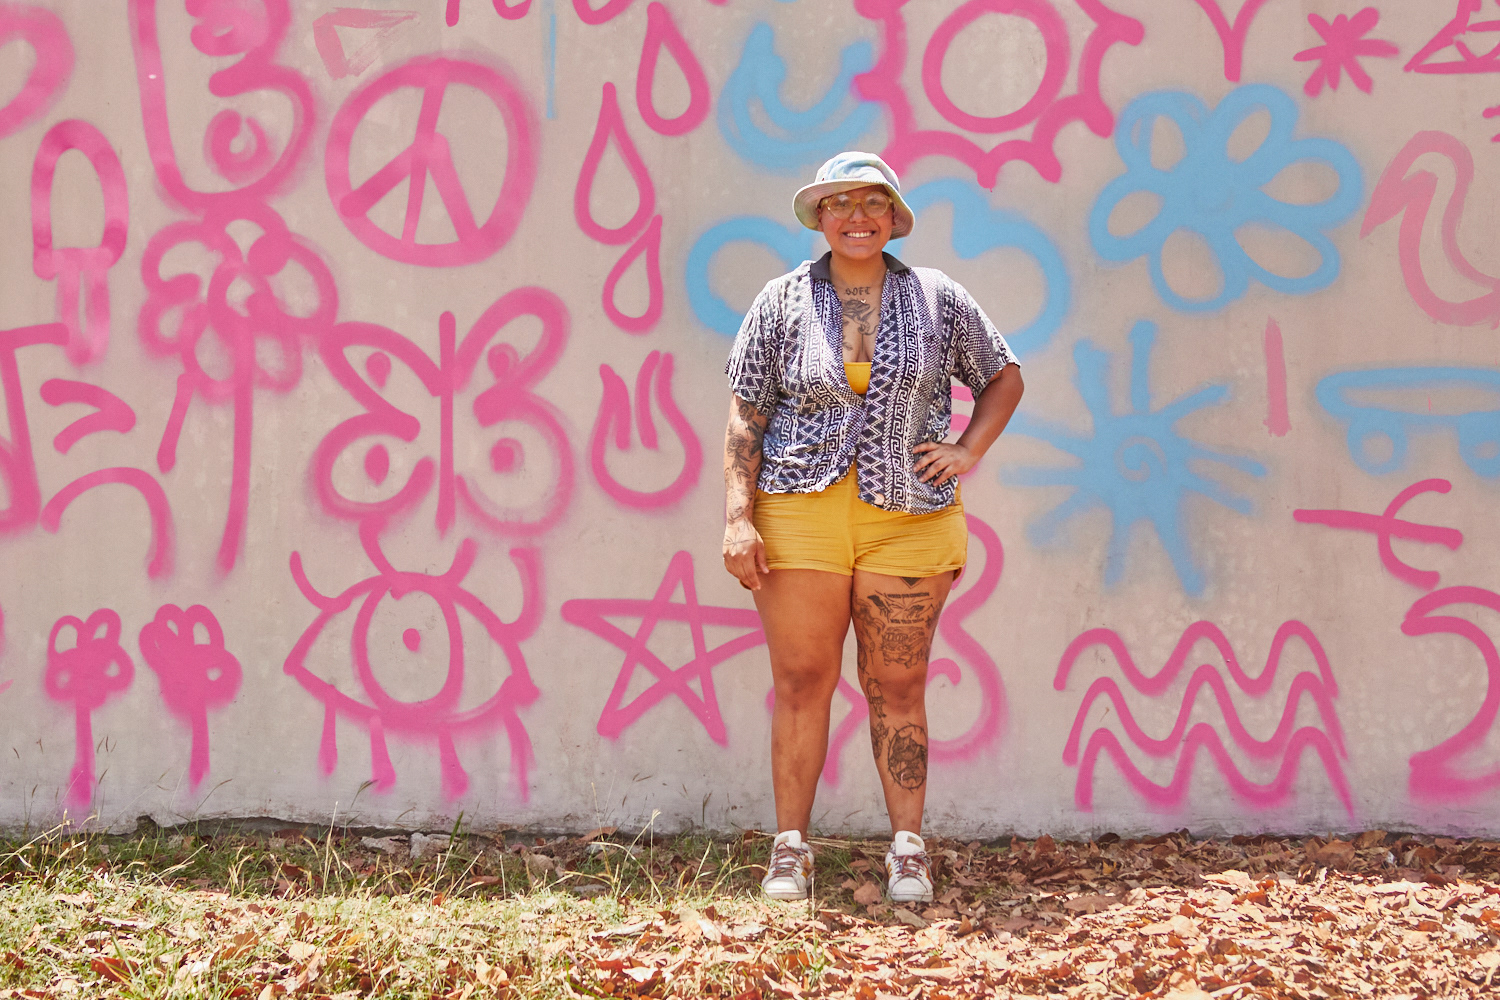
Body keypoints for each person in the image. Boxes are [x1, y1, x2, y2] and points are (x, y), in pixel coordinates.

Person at [722, 152, 1024, 903]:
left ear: (894, 217)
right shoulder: (782, 301)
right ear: (819, 217)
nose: (857, 217)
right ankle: (790, 850)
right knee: (802, 679)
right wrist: (737, 517)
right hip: (799, 512)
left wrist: (967, 449)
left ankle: (908, 851)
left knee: (898, 682)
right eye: (840, 203)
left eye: (873, 203)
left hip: (910, 517)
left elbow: (1003, 375)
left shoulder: (937, 297)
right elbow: (746, 412)